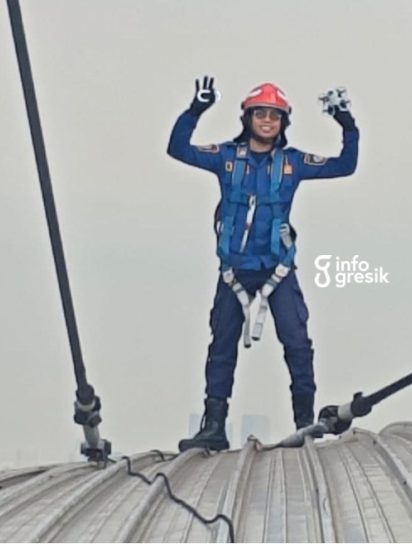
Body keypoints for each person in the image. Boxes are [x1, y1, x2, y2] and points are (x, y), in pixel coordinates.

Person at [167, 77, 359, 450]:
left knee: (297, 342)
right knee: (221, 345)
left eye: (275, 115)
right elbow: (178, 149)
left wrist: (347, 125)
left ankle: (305, 421)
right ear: (247, 118)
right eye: (261, 114)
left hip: (277, 271)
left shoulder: (293, 162)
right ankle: (214, 426)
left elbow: (346, 166)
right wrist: (195, 111)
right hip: (235, 271)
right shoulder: (226, 158)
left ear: (283, 122)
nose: (268, 120)